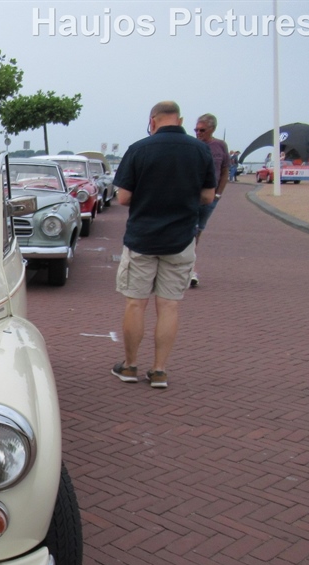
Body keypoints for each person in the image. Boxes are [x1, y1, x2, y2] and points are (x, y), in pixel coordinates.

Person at [111, 101, 216, 389]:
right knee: (169, 306)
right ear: (179, 120)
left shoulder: (139, 149)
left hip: (142, 238)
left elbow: (123, 197)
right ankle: (159, 370)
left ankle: (130, 366)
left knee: (136, 303)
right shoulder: (200, 150)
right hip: (181, 239)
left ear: (152, 121)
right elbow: (208, 196)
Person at [191, 113, 229, 288]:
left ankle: (188, 267)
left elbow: (225, 170)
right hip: (192, 196)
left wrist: (218, 194)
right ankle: (190, 269)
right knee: (190, 231)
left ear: (212, 129)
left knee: (198, 231)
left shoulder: (220, 146)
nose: (198, 133)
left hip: (211, 198)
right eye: (196, 130)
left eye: (202, 130)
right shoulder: (192, 146)